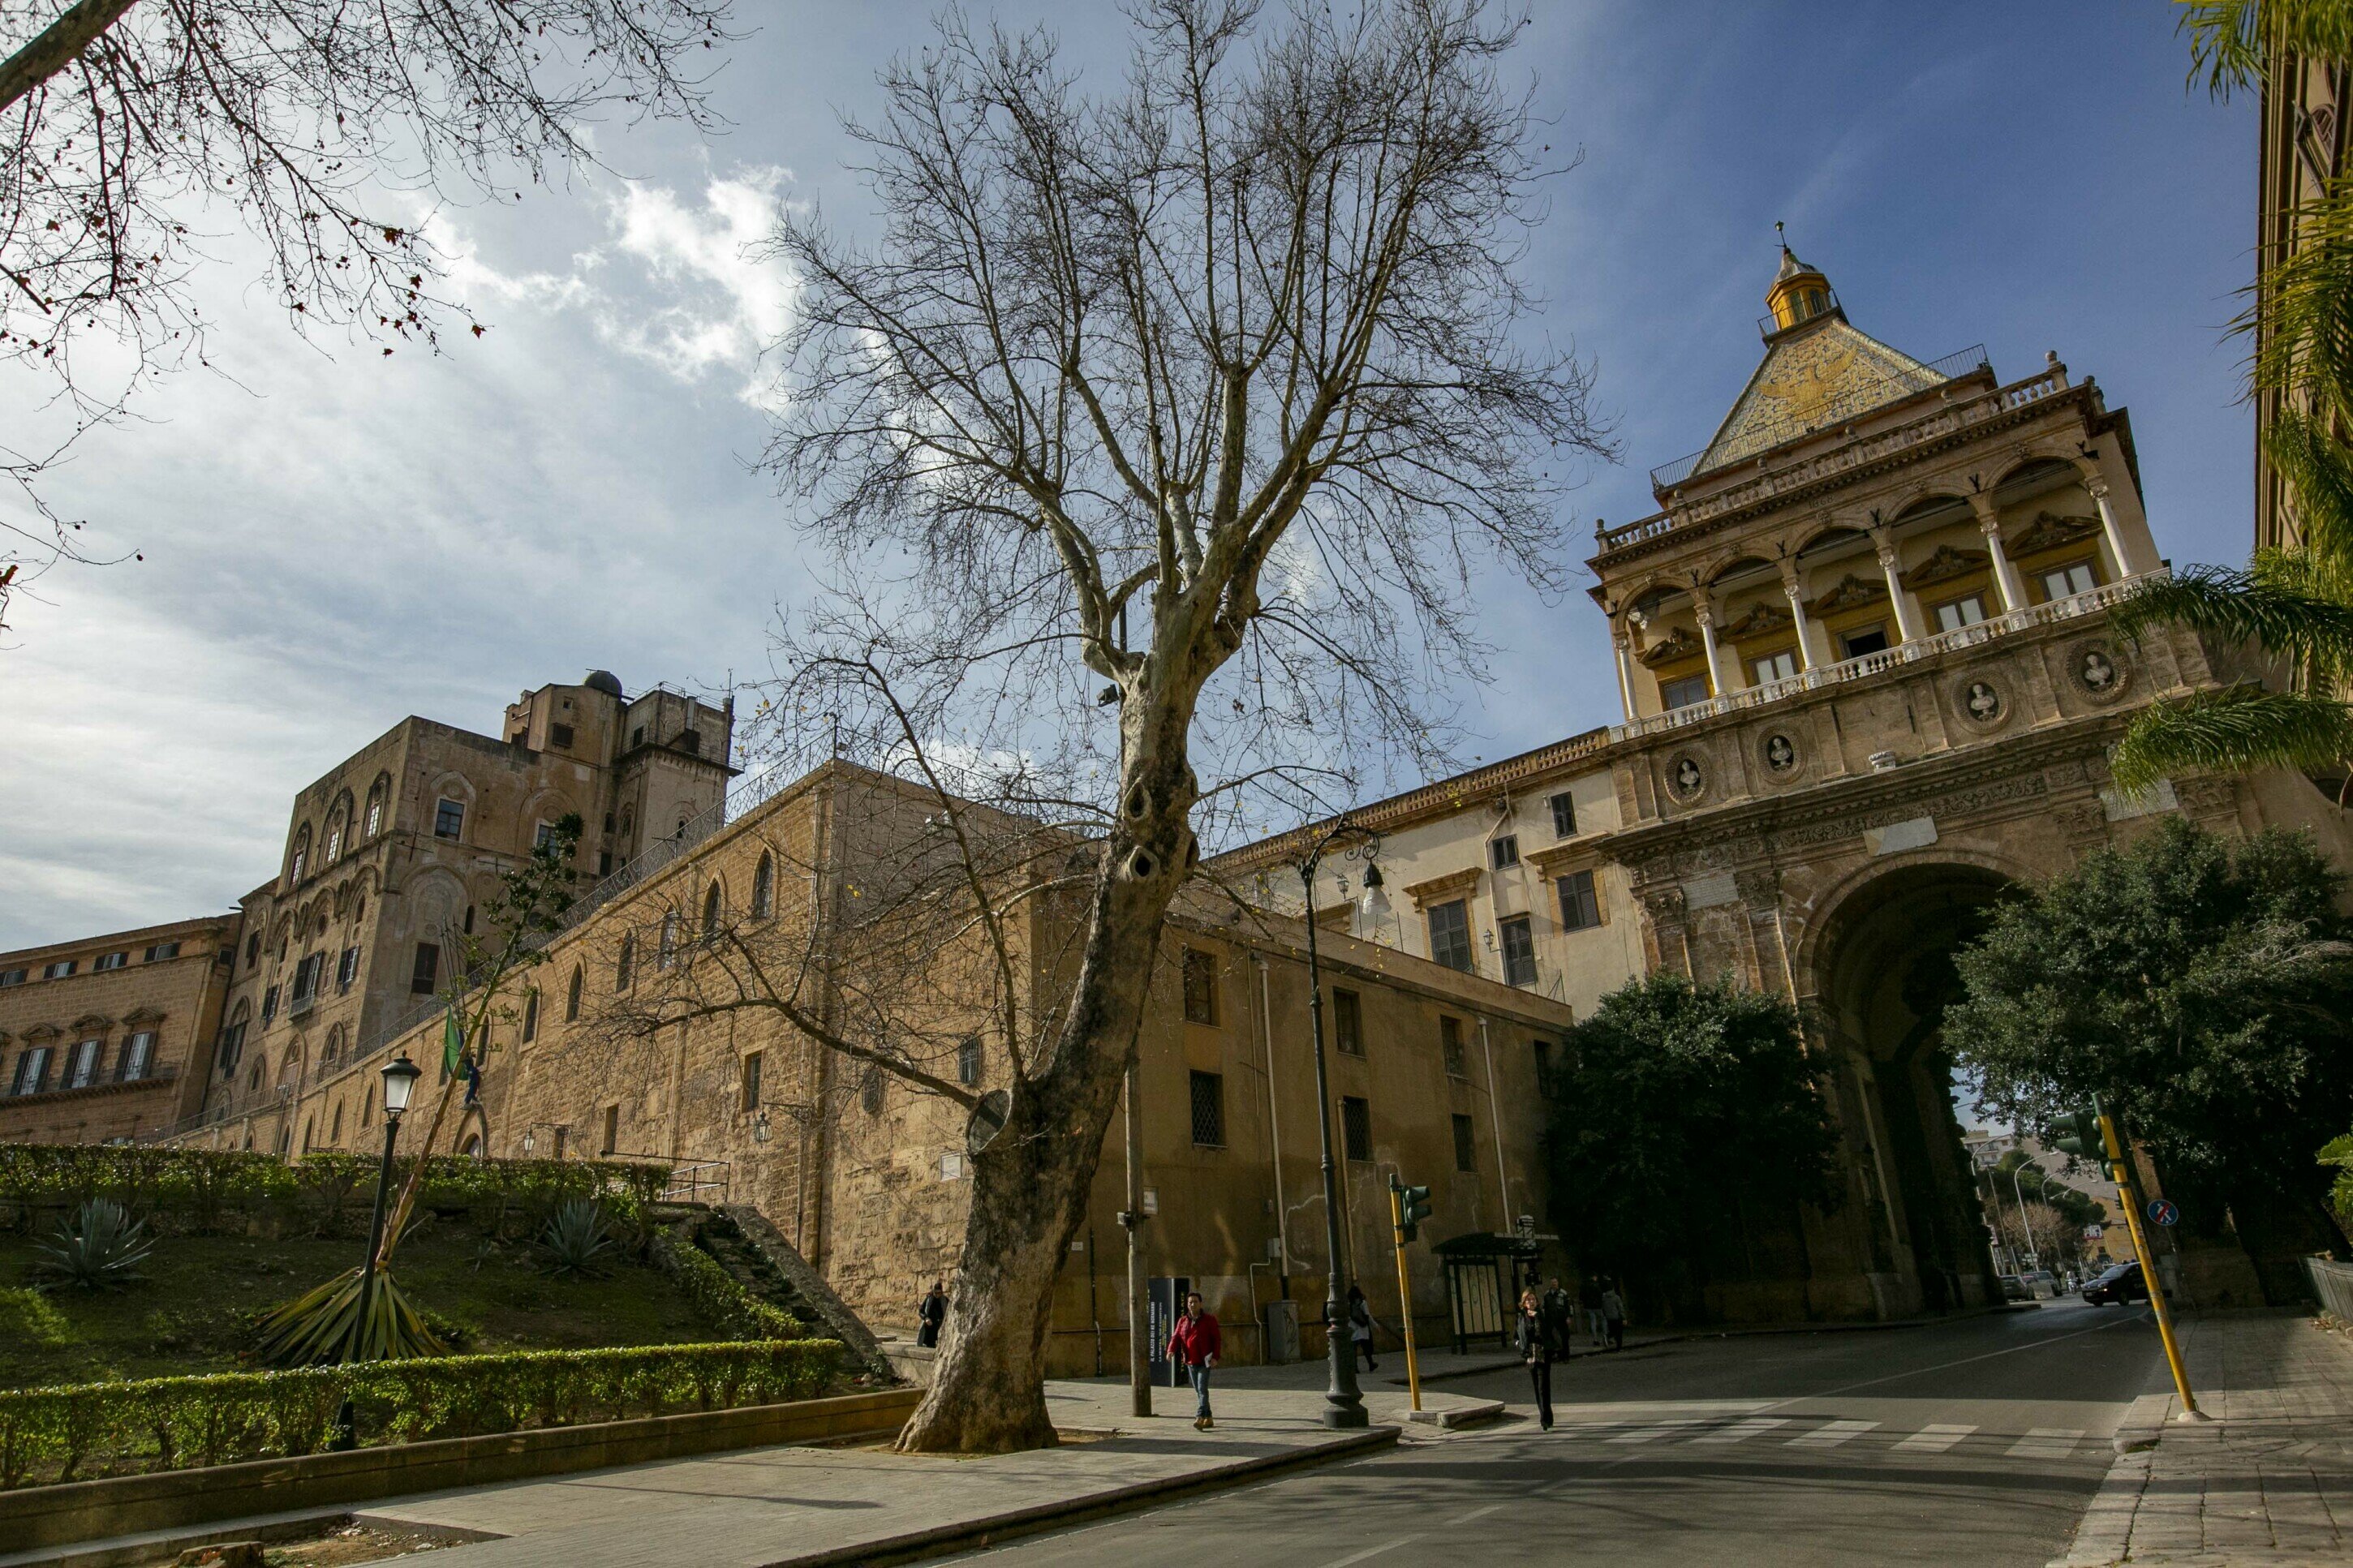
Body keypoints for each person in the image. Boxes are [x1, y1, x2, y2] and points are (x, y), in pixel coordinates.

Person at [1167, 1290, 1222, 1429]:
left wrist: (1215, 1357)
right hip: (1190, 1361)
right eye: (1190, 1302)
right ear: (1187, 1304)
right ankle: (1208, 1418)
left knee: (1202, 1389)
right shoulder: (1183, 1321)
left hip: (1205, 1361)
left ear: (1200, 1303)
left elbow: (1216, 1339)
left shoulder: (1209, 1320)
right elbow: (1176, 1337)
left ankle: (1199, 1417)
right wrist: (1170, 1350)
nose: (1193, 1304)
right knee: (1199, 1390)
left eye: (1195, 1302)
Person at [1516, 1287, 1564, 1430]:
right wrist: (1519, 1345)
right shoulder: (1521, 1318)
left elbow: (1548, 1332)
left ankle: (1546, 1418)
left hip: (1543, 1353)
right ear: (1524, 1303)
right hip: (1530, 1355)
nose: (1531, 1302)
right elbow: (1516, 1336)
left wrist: (1537, 1317)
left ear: (1537, 1302)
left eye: (1533, 1299)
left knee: (1544, 1386)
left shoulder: (1542, 1315)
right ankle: (1543, 1414)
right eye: (1528, 1300)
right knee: (1537, 1387)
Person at [1539, 1276, 1575, 1360]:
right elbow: (1544, 1307)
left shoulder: (1563, 1293)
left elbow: (1569, 1306)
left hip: (1562, 1318)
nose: (1554, 1284)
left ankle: (1565, 1356)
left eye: (1555, 1282)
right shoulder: (1547, 1294)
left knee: (1564, 1338)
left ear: (1558, 1283)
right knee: (1553, 1338)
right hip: (1551, 1319)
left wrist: (1569, 1317)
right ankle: (1558, 1354)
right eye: (1552, 1283)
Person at [1346, 1283, 1378, 1372]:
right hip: (1363, 1328)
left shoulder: (1348, 1304)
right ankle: (1371, 1364)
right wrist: (1374, 1325)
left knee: (1353, 1350)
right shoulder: (1362, 1302)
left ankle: (1355, 1368)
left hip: (1352, 1328)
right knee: (1366, 1348)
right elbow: (1368, 1315)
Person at [916, 1282, 948, 1349]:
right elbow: (921, 1311)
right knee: (930, 1346)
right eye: (936, 1293)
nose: (937, 1295)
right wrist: (926, 1318)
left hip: (940, 1326)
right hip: (930, 1327)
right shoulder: (929, 1299)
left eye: (939, 1293)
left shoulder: (945, 1301)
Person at [1578, 1275, 1604, 1347]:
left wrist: (1584, 1303)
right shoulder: (1597, 1285)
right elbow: (1600, 1294)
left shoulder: (1585, 1285)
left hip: (1588, 1306)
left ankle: (1595, 1339)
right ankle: (1605, 1336)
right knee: (1603, 1319)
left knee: (1593, 1321)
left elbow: (1581, 1296)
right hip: (1597, 1306)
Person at [1600, 1279, 1625, 1351]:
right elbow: (1620, 1308)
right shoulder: (1616, 1297)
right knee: (1619, 1333)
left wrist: (1605, 1315)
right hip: (1616, 1317)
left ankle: (1607, 1336)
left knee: (1613, 1331)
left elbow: (1603, 1308)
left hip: (1609, 1317)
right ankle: (1619, 1348)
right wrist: (1624, 1318)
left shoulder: (1604, 1298)